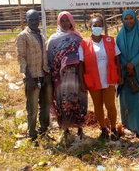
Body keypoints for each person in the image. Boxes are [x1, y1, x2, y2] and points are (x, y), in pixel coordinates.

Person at [78, 13, 122, 140]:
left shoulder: (110, 40)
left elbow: (117, 58)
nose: (97, 27)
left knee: (110, 105)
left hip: (109, 78)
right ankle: (103, 129)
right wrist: (82, 81)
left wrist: (120, 75)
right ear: (90, 26)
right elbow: (81, 64)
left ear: (103, 27)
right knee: (98, 106)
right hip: (93, 80)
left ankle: (113, 129)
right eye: (94, 25)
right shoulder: (84, 44)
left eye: (99, 25)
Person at [47, 11, 87, 139]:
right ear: (59, 22)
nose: (65, 23)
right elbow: (50, 58)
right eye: (62, 21)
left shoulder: (78, 38)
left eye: (67, 20)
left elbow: (84, 57)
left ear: (71, 21)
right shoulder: (53, 40)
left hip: (76, 75)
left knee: (79, 98)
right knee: (63, 101)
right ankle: (65, 128)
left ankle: (80, 127)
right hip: (61, 77)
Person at [16, 9, 52, 141]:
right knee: (33, 108)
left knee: (46, 105)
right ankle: (32, 134)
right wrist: (28, 77)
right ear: (26, 21)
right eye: (31, 19)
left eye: (36, 19)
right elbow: (21, 57)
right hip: (32, 77)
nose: (34, 22)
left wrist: (47, 74)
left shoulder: (40, 34)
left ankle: (44, 130)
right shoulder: (23, 36)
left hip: (44, 75)